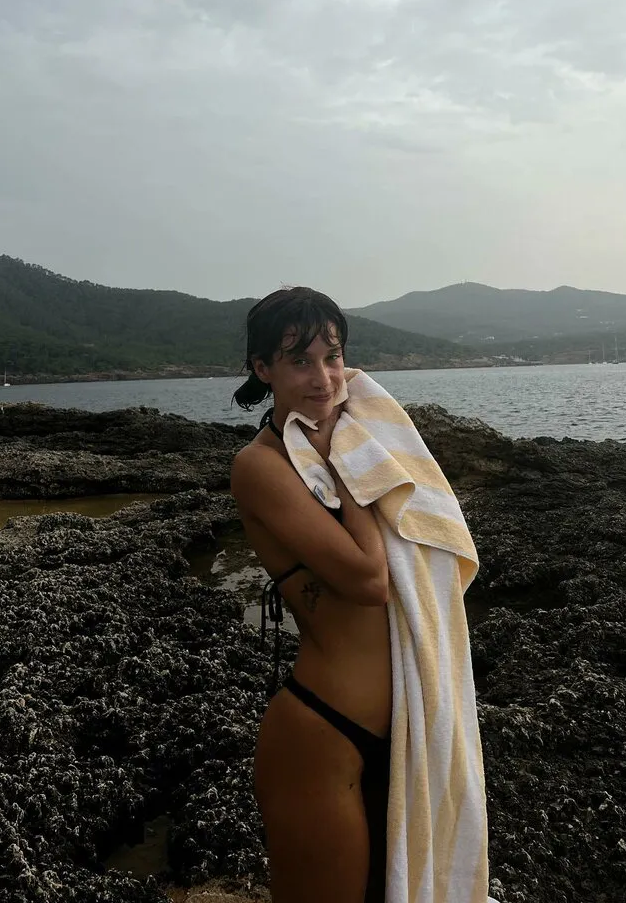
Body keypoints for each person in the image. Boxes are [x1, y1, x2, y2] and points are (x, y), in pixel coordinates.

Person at [230, 286, 392, 903]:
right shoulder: (261, 466)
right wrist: (350, 464)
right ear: (262, 368)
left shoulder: (348, 437)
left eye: (333, 357)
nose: (323, 379)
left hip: (399, 732)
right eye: (300, 361)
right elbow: (369, 580)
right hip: (323, 734)